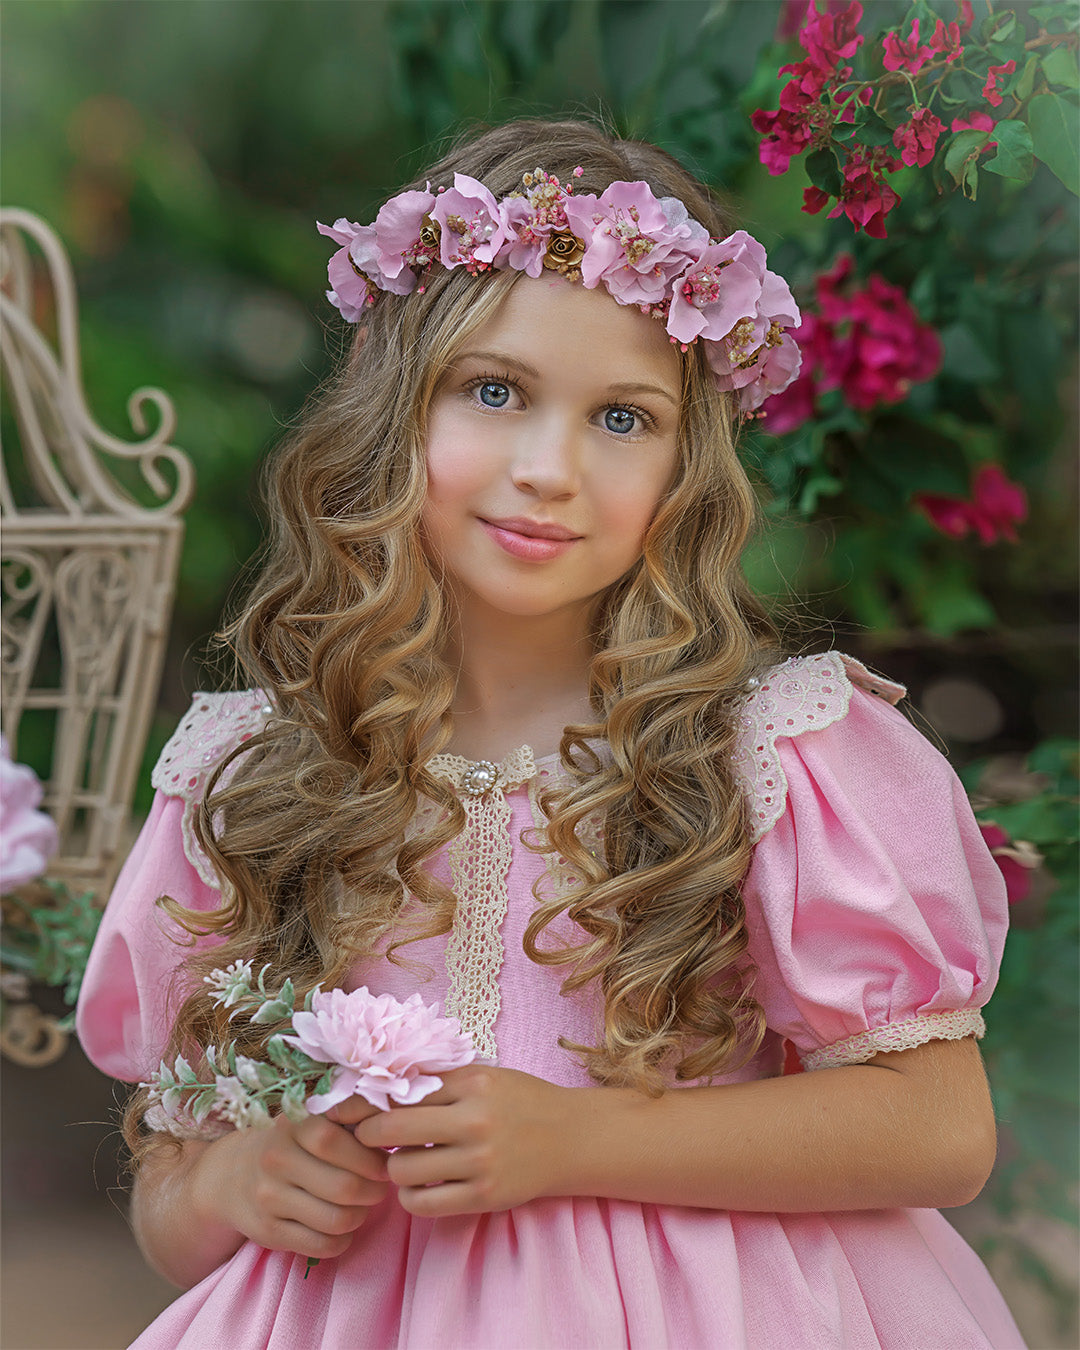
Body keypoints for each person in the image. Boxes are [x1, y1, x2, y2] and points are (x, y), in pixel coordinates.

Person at [76, 118, 1025, 1349]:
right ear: (391, 414)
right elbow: (170, 1192)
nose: (549, 468)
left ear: (690, 473)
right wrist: (230, 1183)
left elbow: (940, 1133)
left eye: (623, 419)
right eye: (495, 391)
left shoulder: (776, 760)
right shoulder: (253, 775)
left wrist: (580, 1138)